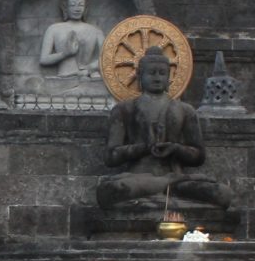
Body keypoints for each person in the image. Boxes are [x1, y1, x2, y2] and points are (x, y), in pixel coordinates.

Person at [97, 45, 231, 219]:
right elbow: (111, 156)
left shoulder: (185, 110)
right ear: (139, 76)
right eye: (151, 73)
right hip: (138, 177)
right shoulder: (124, 110)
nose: (157, 78)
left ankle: (162, 189)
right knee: (110, 191)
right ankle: (165, 188)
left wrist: (175, 149)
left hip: (175, 177)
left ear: (169, 77)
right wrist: (143, 148)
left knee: (222, 194)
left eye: (162, 73)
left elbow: (198, 156)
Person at [39, 0, 102, 79]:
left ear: (85, 8)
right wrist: (65, 53)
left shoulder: (95, 31)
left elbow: (106, 58)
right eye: (73, 5)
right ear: (65, 8)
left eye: (81, 5)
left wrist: (89, 69)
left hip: (87, 77)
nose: (77, 9)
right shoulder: (54, 29)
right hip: (63, 77)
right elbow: (43, 59)